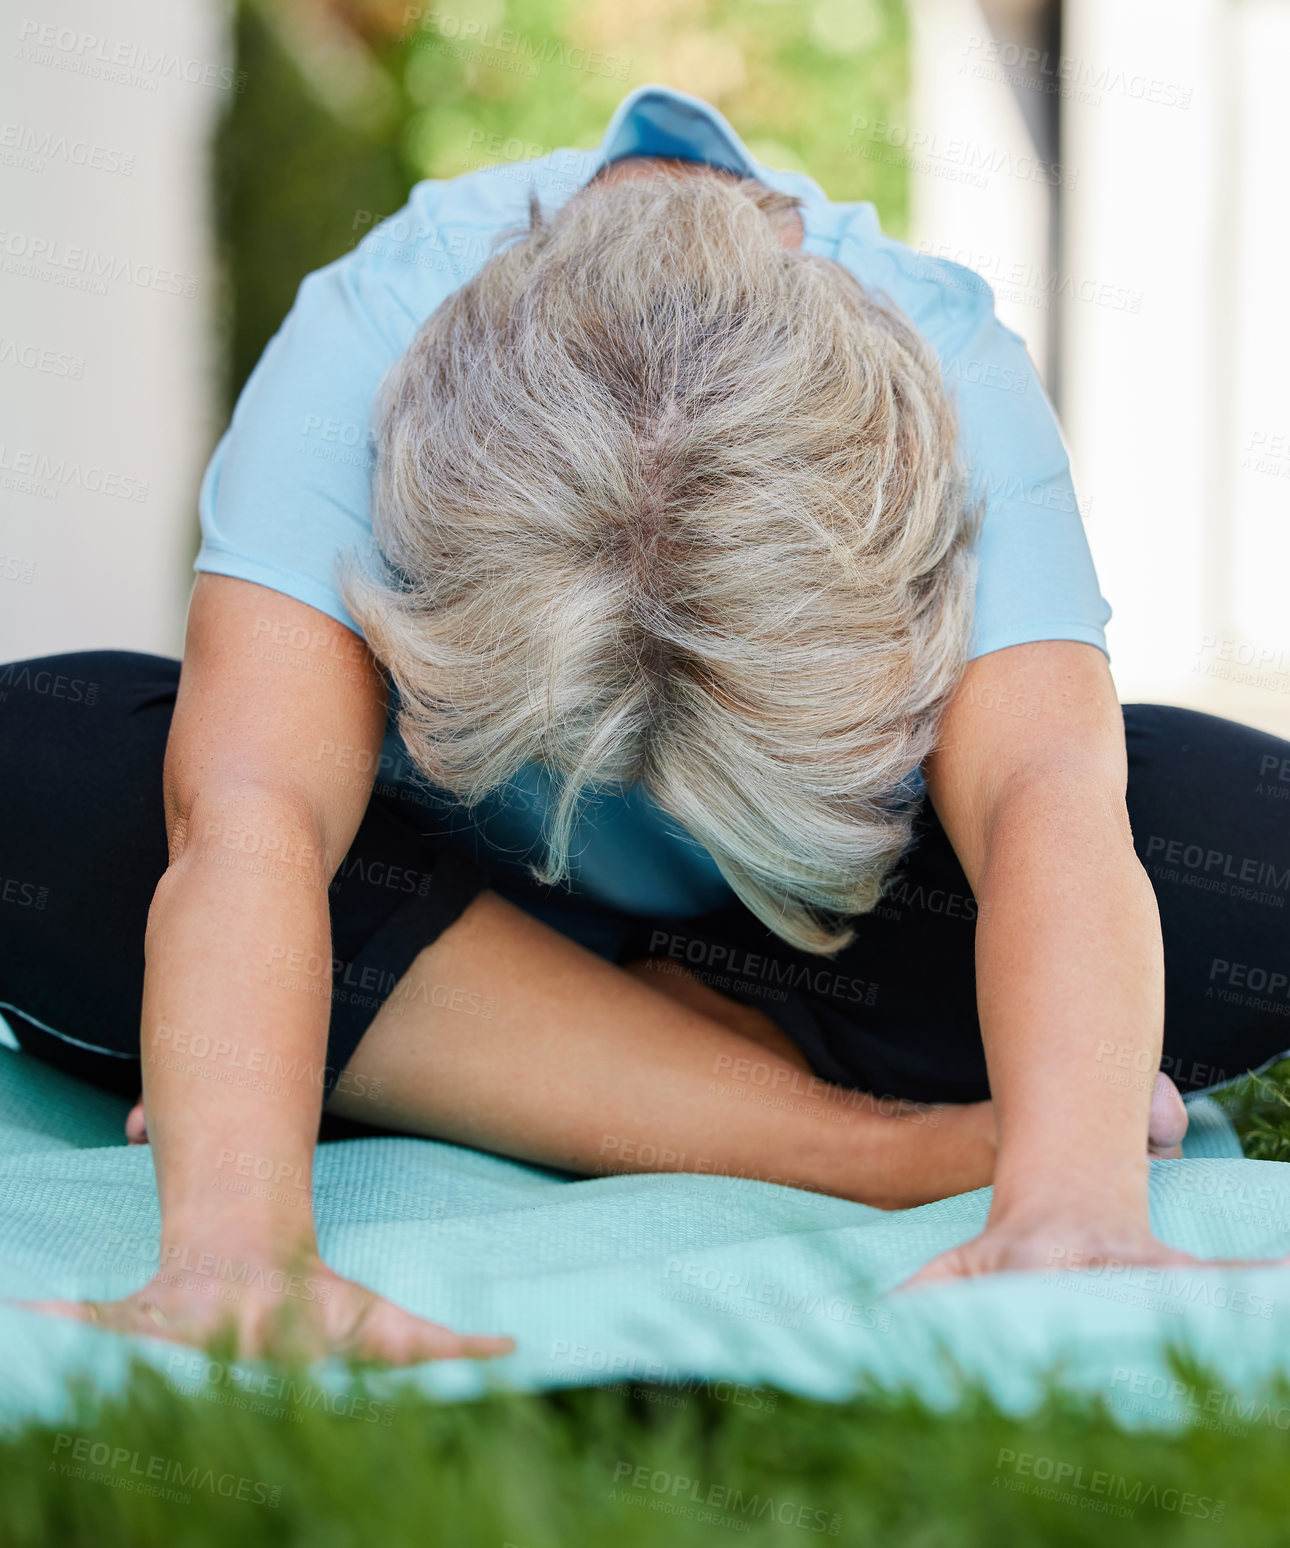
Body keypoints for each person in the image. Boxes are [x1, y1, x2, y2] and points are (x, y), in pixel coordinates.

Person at [1, 85, 1284, 1363]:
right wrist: (233, 1249)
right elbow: (253, 818)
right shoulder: (364, 337)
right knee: (45, 769)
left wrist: (1069, 1205)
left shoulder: (947, 363)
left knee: (1246, 843)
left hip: (810, 927)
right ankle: (868, 1143)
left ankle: (505, 1067)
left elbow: (1043, 797)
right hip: (449, 900)